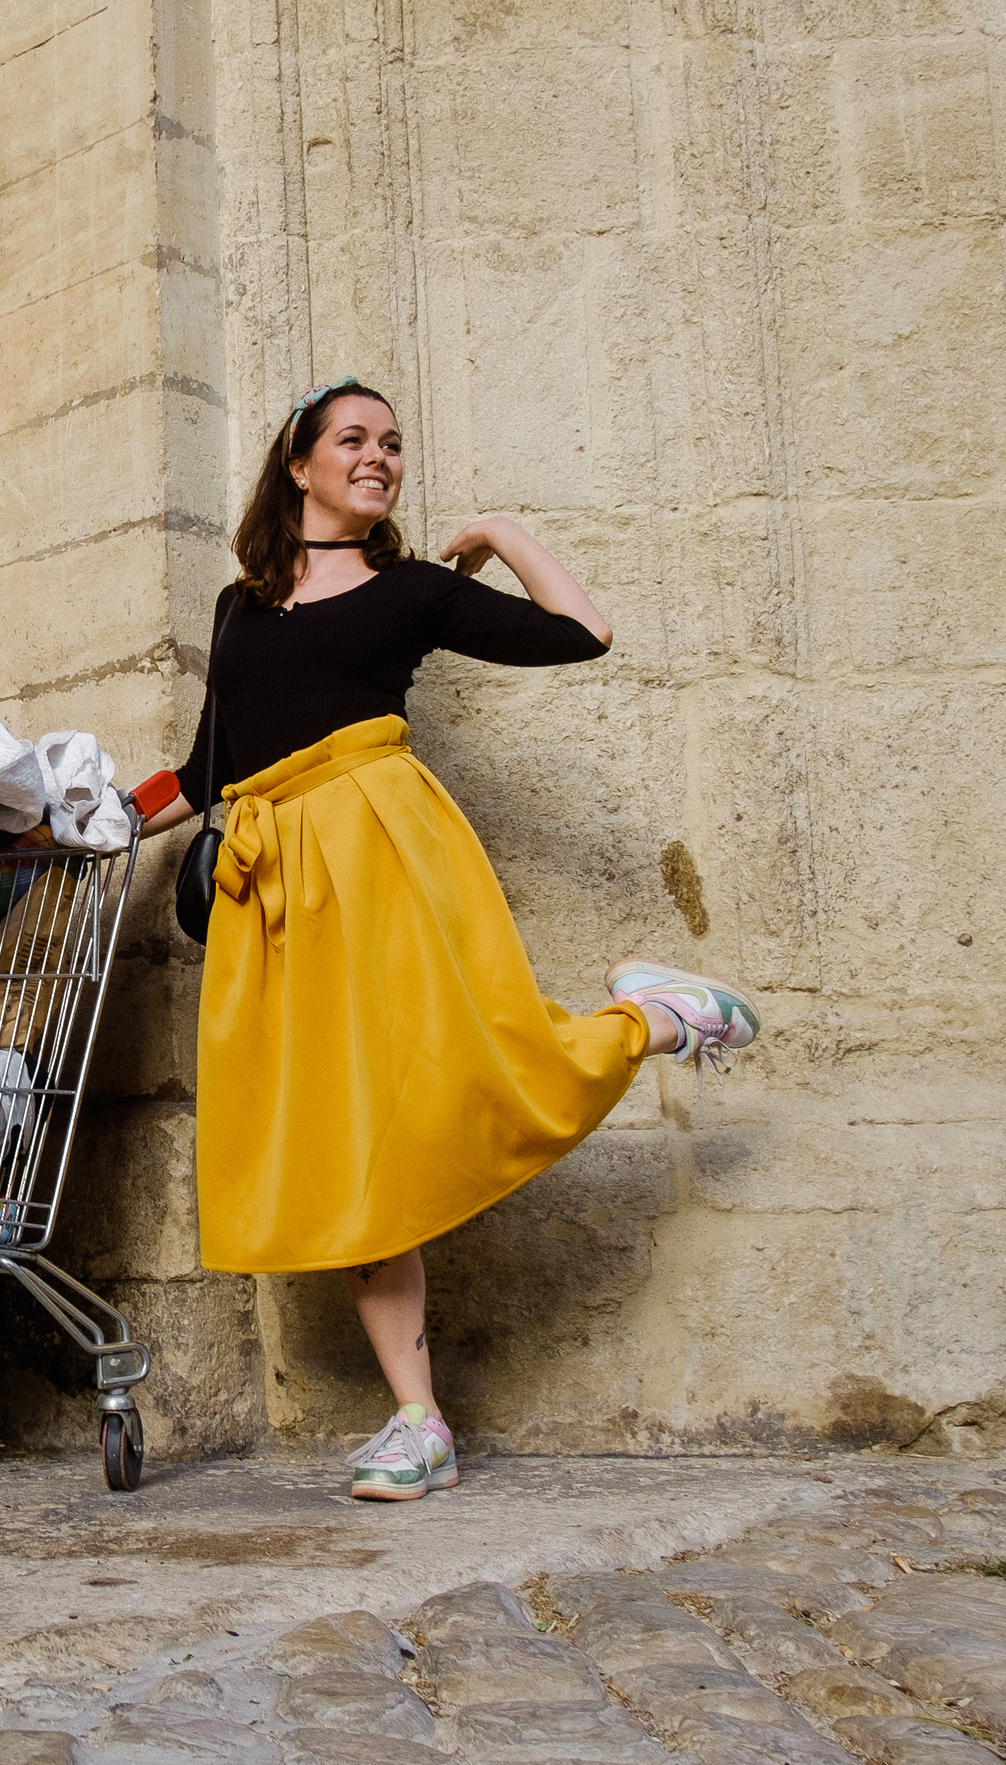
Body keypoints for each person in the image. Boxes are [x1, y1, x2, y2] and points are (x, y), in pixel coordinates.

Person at [130, 378, 761, 1502]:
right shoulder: (238, 605)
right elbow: (209, 764)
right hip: (273, 892)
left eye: (393, 445)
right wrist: (92, 821)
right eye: (354, 440)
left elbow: (583, 635)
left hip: (379, 856)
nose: (378, 458)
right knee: (350, 1144)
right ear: (298, 464)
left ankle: (657, 1019)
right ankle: (419, 1423)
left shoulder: (411, 592)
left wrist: (501, 535)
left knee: (456, 1082)